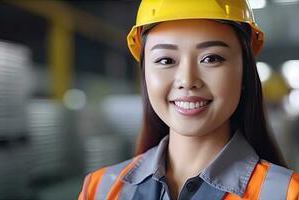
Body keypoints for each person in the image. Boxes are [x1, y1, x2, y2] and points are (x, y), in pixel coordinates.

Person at [78, 0, 299, 199]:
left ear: (244, 72)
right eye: (165, 60)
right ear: (144, 74)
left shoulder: (287, 193)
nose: (187, 80)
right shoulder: (100, 190)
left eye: (211, 58)